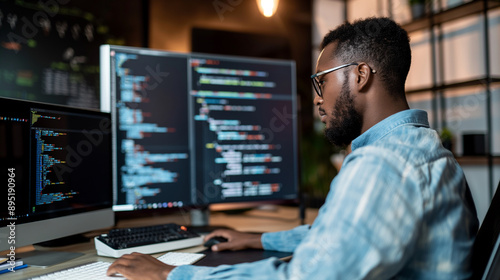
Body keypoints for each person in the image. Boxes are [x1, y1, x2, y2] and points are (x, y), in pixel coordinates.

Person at [107, 17, 479, 279]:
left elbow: (311, 275)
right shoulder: (419, 146)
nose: (317, 100)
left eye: (321, 82)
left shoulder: (384, 163)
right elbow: (347, 233)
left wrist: (172, 274)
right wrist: (259, 239)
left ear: (361, 75)